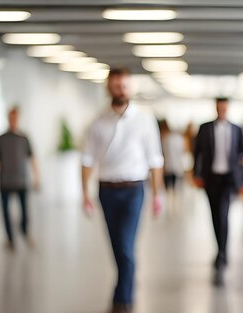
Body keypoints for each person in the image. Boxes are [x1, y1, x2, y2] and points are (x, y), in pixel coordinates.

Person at [81, 70, 164, 313]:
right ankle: (126, 281)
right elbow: (87, 159)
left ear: (131, 88)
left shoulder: (144, 120)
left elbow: (155, 160)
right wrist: (85, 193)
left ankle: (123, 299)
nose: (120, 89)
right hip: (106, 191)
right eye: (116, 85)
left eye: (124, 85)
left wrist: (158, 195)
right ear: (109, 88)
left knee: (127, 247)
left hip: (133, 190)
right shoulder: (97, 122)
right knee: (117, 246)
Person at [193, 97, 243, 287]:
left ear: (228, 109)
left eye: (225, 108)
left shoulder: (237, 129)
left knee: (223, 215)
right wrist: (196, 174)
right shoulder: (205, 128)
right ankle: (220, 250)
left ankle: (222, 254)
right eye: (220, 107)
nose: (222, 111)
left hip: (229, 180)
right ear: (216, 108)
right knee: (214, 216)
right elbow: (197, 152)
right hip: (211, 178)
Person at [0, 108, 40, 250]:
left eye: (15, 118)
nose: (13, 120)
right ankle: (10, 239)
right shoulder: (0, 139)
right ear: (8, 118)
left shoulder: (24, 138)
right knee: (5, 211)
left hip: (22, 180)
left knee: (24, 211)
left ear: (18, 119)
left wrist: (37, 177)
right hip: (5, 181)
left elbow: (32, 159)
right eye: (11, 118)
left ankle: (24, 231)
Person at [159, 120, 186, 214]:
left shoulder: (165, 139)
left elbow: (163, 153)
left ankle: (170, 202)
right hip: (175, 165)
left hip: (169, 165)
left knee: (169, 185)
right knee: (174, 185)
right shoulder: (179, 139)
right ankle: (173, 202)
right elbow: (182, 152)